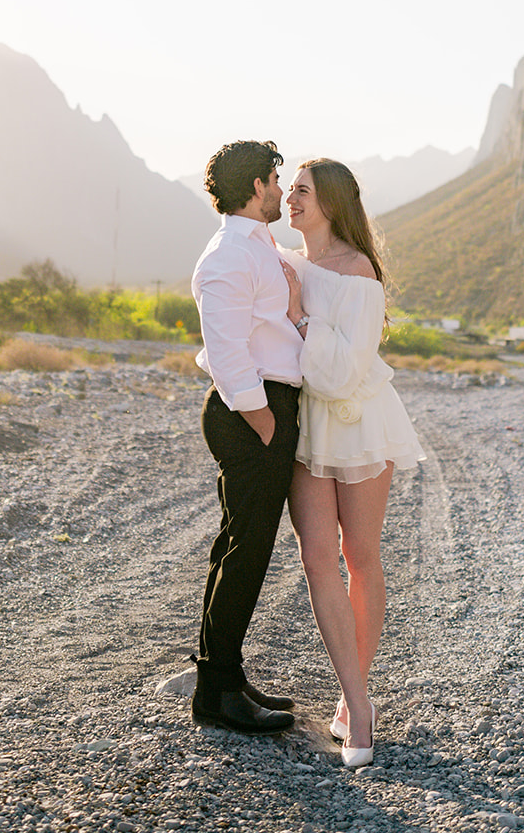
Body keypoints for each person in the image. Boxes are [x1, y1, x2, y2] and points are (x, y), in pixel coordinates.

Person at [282, 158, 425, 768]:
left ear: (332, 203)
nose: (291, 199)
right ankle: (358, 701)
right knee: (316, 557)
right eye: (290, 189)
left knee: (359, 556)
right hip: (306, 425)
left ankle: (353, 701)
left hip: (359, 420)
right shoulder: (286, 262)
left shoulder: (359, 271)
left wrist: (299, 316)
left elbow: (343, 373)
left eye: (303, 191)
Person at [190, 139, 302, 735]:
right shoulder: (229, 254)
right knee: (247, 551)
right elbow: (229, 353)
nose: (281, 191)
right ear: (257, 185)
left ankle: (221, 679)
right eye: (276, 181)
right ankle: (219, 694)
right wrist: (266, 423)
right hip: (250, 411)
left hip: (263, 407)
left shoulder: (257, 245)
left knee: (239, 546)